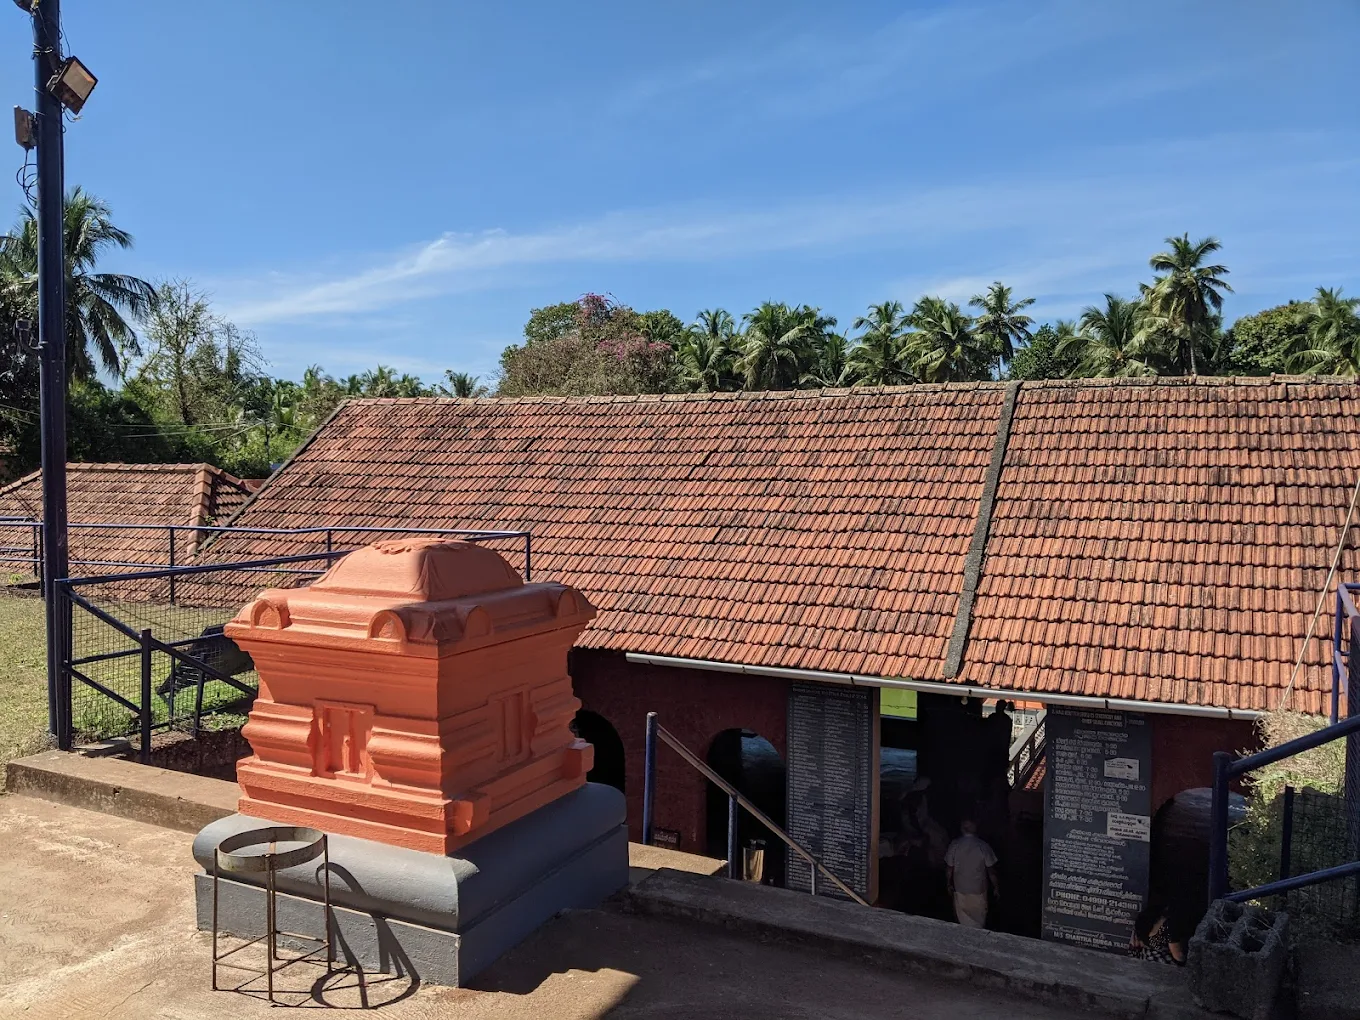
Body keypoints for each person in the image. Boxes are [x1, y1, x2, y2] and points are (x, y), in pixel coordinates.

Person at [945, 818, 999, 929]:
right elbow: (991, 872)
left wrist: (948, 884)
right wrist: (996, 887)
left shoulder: (954, 845)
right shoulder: (983, 846)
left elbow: (949, 869)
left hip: (960, 890)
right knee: (979, 924)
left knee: (962, 923)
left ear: (962, 828)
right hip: (978, 891)